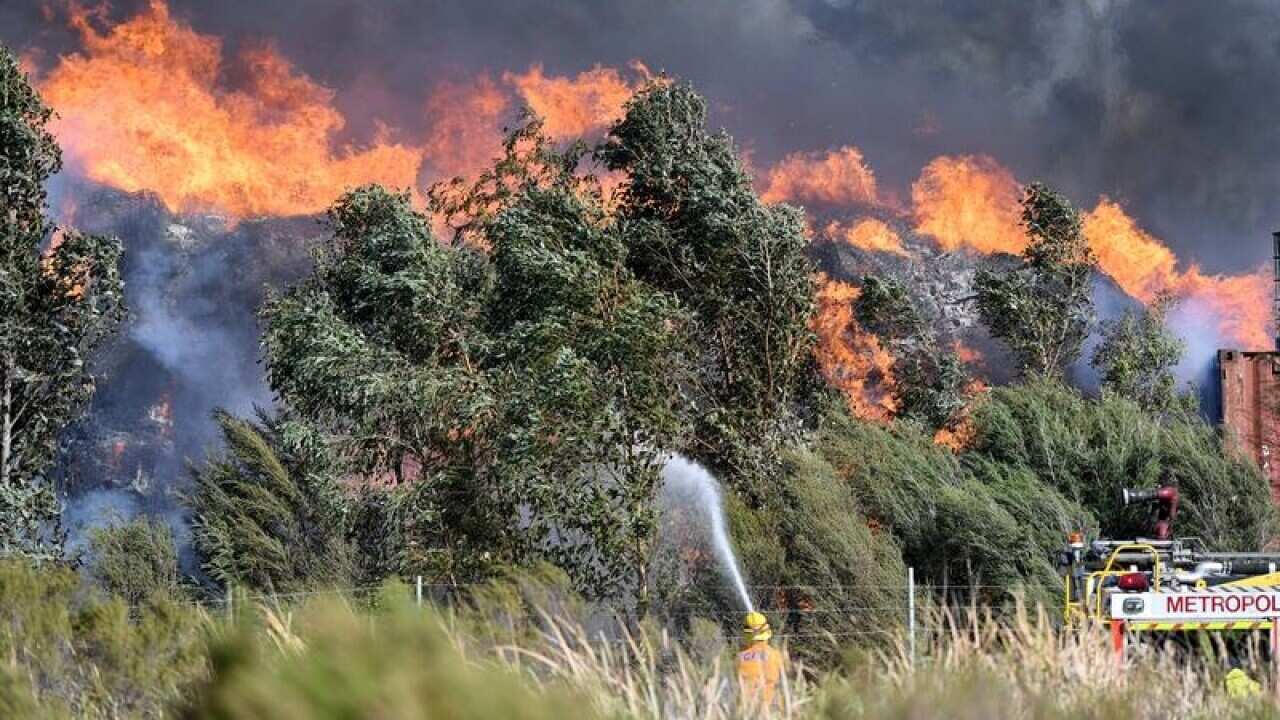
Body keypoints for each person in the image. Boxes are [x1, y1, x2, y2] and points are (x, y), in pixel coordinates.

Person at [737, 611, 783, 707]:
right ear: (768, 633)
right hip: (771, 709)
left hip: (746, 710)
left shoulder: (739, 658)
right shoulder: (776, 656)